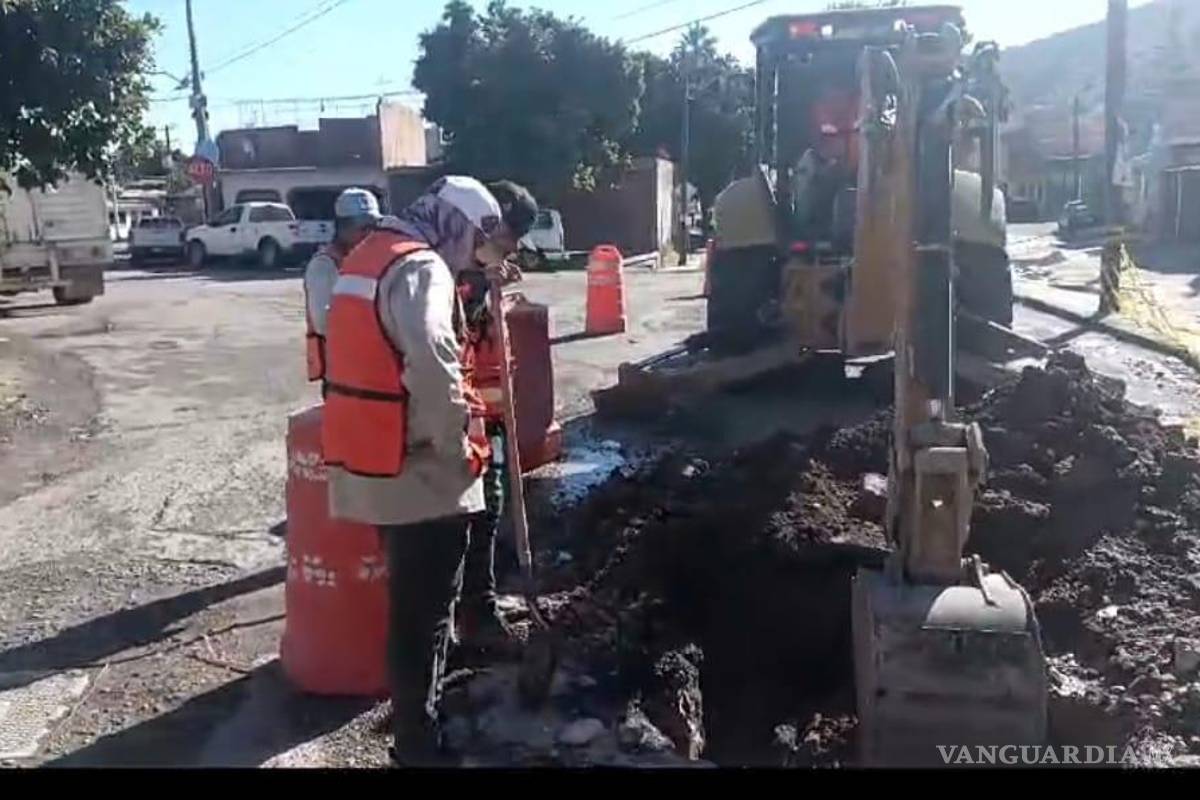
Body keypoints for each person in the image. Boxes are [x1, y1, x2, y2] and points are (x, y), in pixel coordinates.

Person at [320, 175, 530, 767]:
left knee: (411, 605)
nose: (473, 252)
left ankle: (417, 728)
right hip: (419, 468)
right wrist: (454, 446)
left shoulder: (368, 255)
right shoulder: (423, 268)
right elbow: (435, 369)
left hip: (372, 458)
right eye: (477, 238)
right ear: (458, 223)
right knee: (426, 614)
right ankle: (419, 743)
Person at [455, 181, 538, 654]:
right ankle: (475, 614)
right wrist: (483, 289)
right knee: (478, 514)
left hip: (492, 413)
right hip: (467, 418)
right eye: (507, 239)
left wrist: (496, 284)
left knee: (492, 505)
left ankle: (479, 604)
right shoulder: (452, 276)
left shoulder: (481, 271)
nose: (510, 250)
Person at [303, 188, 383, 390]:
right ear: (342, 228)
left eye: (373, 226)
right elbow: (324, 323)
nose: (369, 234)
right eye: (362, 227)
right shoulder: (324, 265)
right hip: (341, 374)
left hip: (370, 369)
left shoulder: (369, 260)